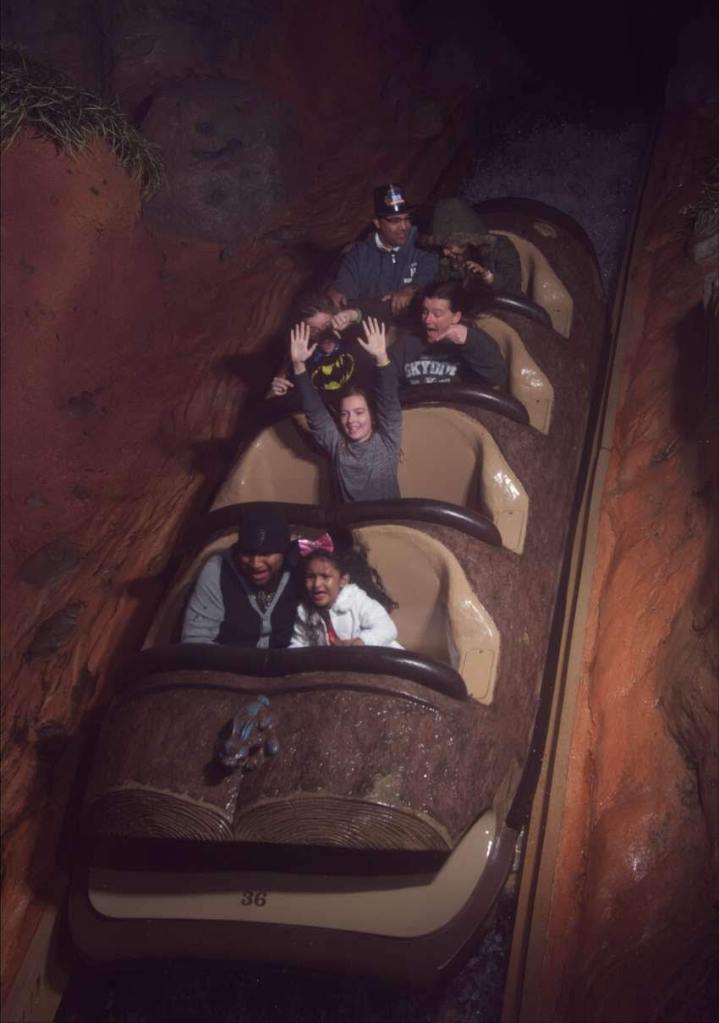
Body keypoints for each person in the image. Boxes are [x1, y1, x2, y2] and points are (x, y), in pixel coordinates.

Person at [291, 316, 401, 502]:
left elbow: (389, 401)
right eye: (344, 414)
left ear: (372, 416)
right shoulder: (337, 446)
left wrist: (381, 357)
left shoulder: (387, 441)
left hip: (389, 520)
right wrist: (298, 365)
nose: (351, 420)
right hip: (349, 521)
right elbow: (315, 413)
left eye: (359, 412)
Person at [181, 508, 301, 647]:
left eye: (266, 554)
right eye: (247, 553)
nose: (255, 563)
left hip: (289, 659)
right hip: (226, 659)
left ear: (284, 552)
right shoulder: (218, 570)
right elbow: (195, 641)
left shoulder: (302, 568)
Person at [326, 184, 438, 317]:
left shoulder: (421, 244)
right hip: (368, 323)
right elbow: (344, 295)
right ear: (377, 223)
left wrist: (411, 289)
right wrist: (335, 292)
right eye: (395, 221)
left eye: (407, 219)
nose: (404, 227)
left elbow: (430, 275)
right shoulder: (358, 254)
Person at [290, 535, 402, 648]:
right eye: (310, 576)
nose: (317, 584)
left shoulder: (357, 600)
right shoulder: (304, 612)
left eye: (325, 576)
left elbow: (387, 629)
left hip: (381, 657)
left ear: (343, 580)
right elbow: (298, 645)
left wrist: (361, 641)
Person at [389, 281, 506, 388]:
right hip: (417, 404)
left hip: (459, 404)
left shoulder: (474, 344)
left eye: (437, 314)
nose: (427, 320)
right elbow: (387, 385)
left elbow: (496, 377)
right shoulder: (407, 344)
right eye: (425, 312)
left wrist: (471, 340)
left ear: (456, 317)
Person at [268, 293, 375, 404]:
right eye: (314, 330)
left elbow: (381, 313)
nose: (323, 333)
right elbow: (291, 393)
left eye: (326, 325)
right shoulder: (301, 355)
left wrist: (352, 315)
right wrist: (281, 390)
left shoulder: (353, 335)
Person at [422, 197, 523, 310]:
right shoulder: (447, 259)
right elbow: (440, 285)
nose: (445, 252)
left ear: (464, 241)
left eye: (448, 247)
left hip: (505, 309)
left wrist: (487, 276)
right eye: (442, 247)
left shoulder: (500, 248)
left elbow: (512, 286)